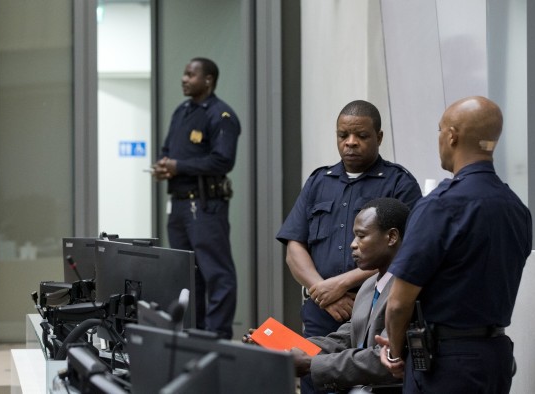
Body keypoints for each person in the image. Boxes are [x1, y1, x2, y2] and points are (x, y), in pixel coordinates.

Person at [377, 96, 532, 393]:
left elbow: (398, 303)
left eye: (439, 131)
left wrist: (396, 352)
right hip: (496, 358)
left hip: (445, 363)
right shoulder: (516, 209)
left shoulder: (439, 206)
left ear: (451, 135)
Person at [247, 197, 409, 393]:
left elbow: (381, 359)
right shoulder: (368, 286)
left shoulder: (407, 291)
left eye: (361, 236)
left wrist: (310, 363)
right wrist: (283, 349)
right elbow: (344, 339)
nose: (353, 245)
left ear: (391, 237)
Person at [151, 57, 240, 339]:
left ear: (208, 80)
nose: (184, 79)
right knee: (186, 276)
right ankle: (192, 335)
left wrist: (179, 167)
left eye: (191, 74)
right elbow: (168, 150)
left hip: (204, 206)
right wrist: (163, 166)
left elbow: (222, 161)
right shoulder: (181, 112)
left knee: (217, 275)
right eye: (184, 73)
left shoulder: (221, 115)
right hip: (177, 207)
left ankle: (217, 338)